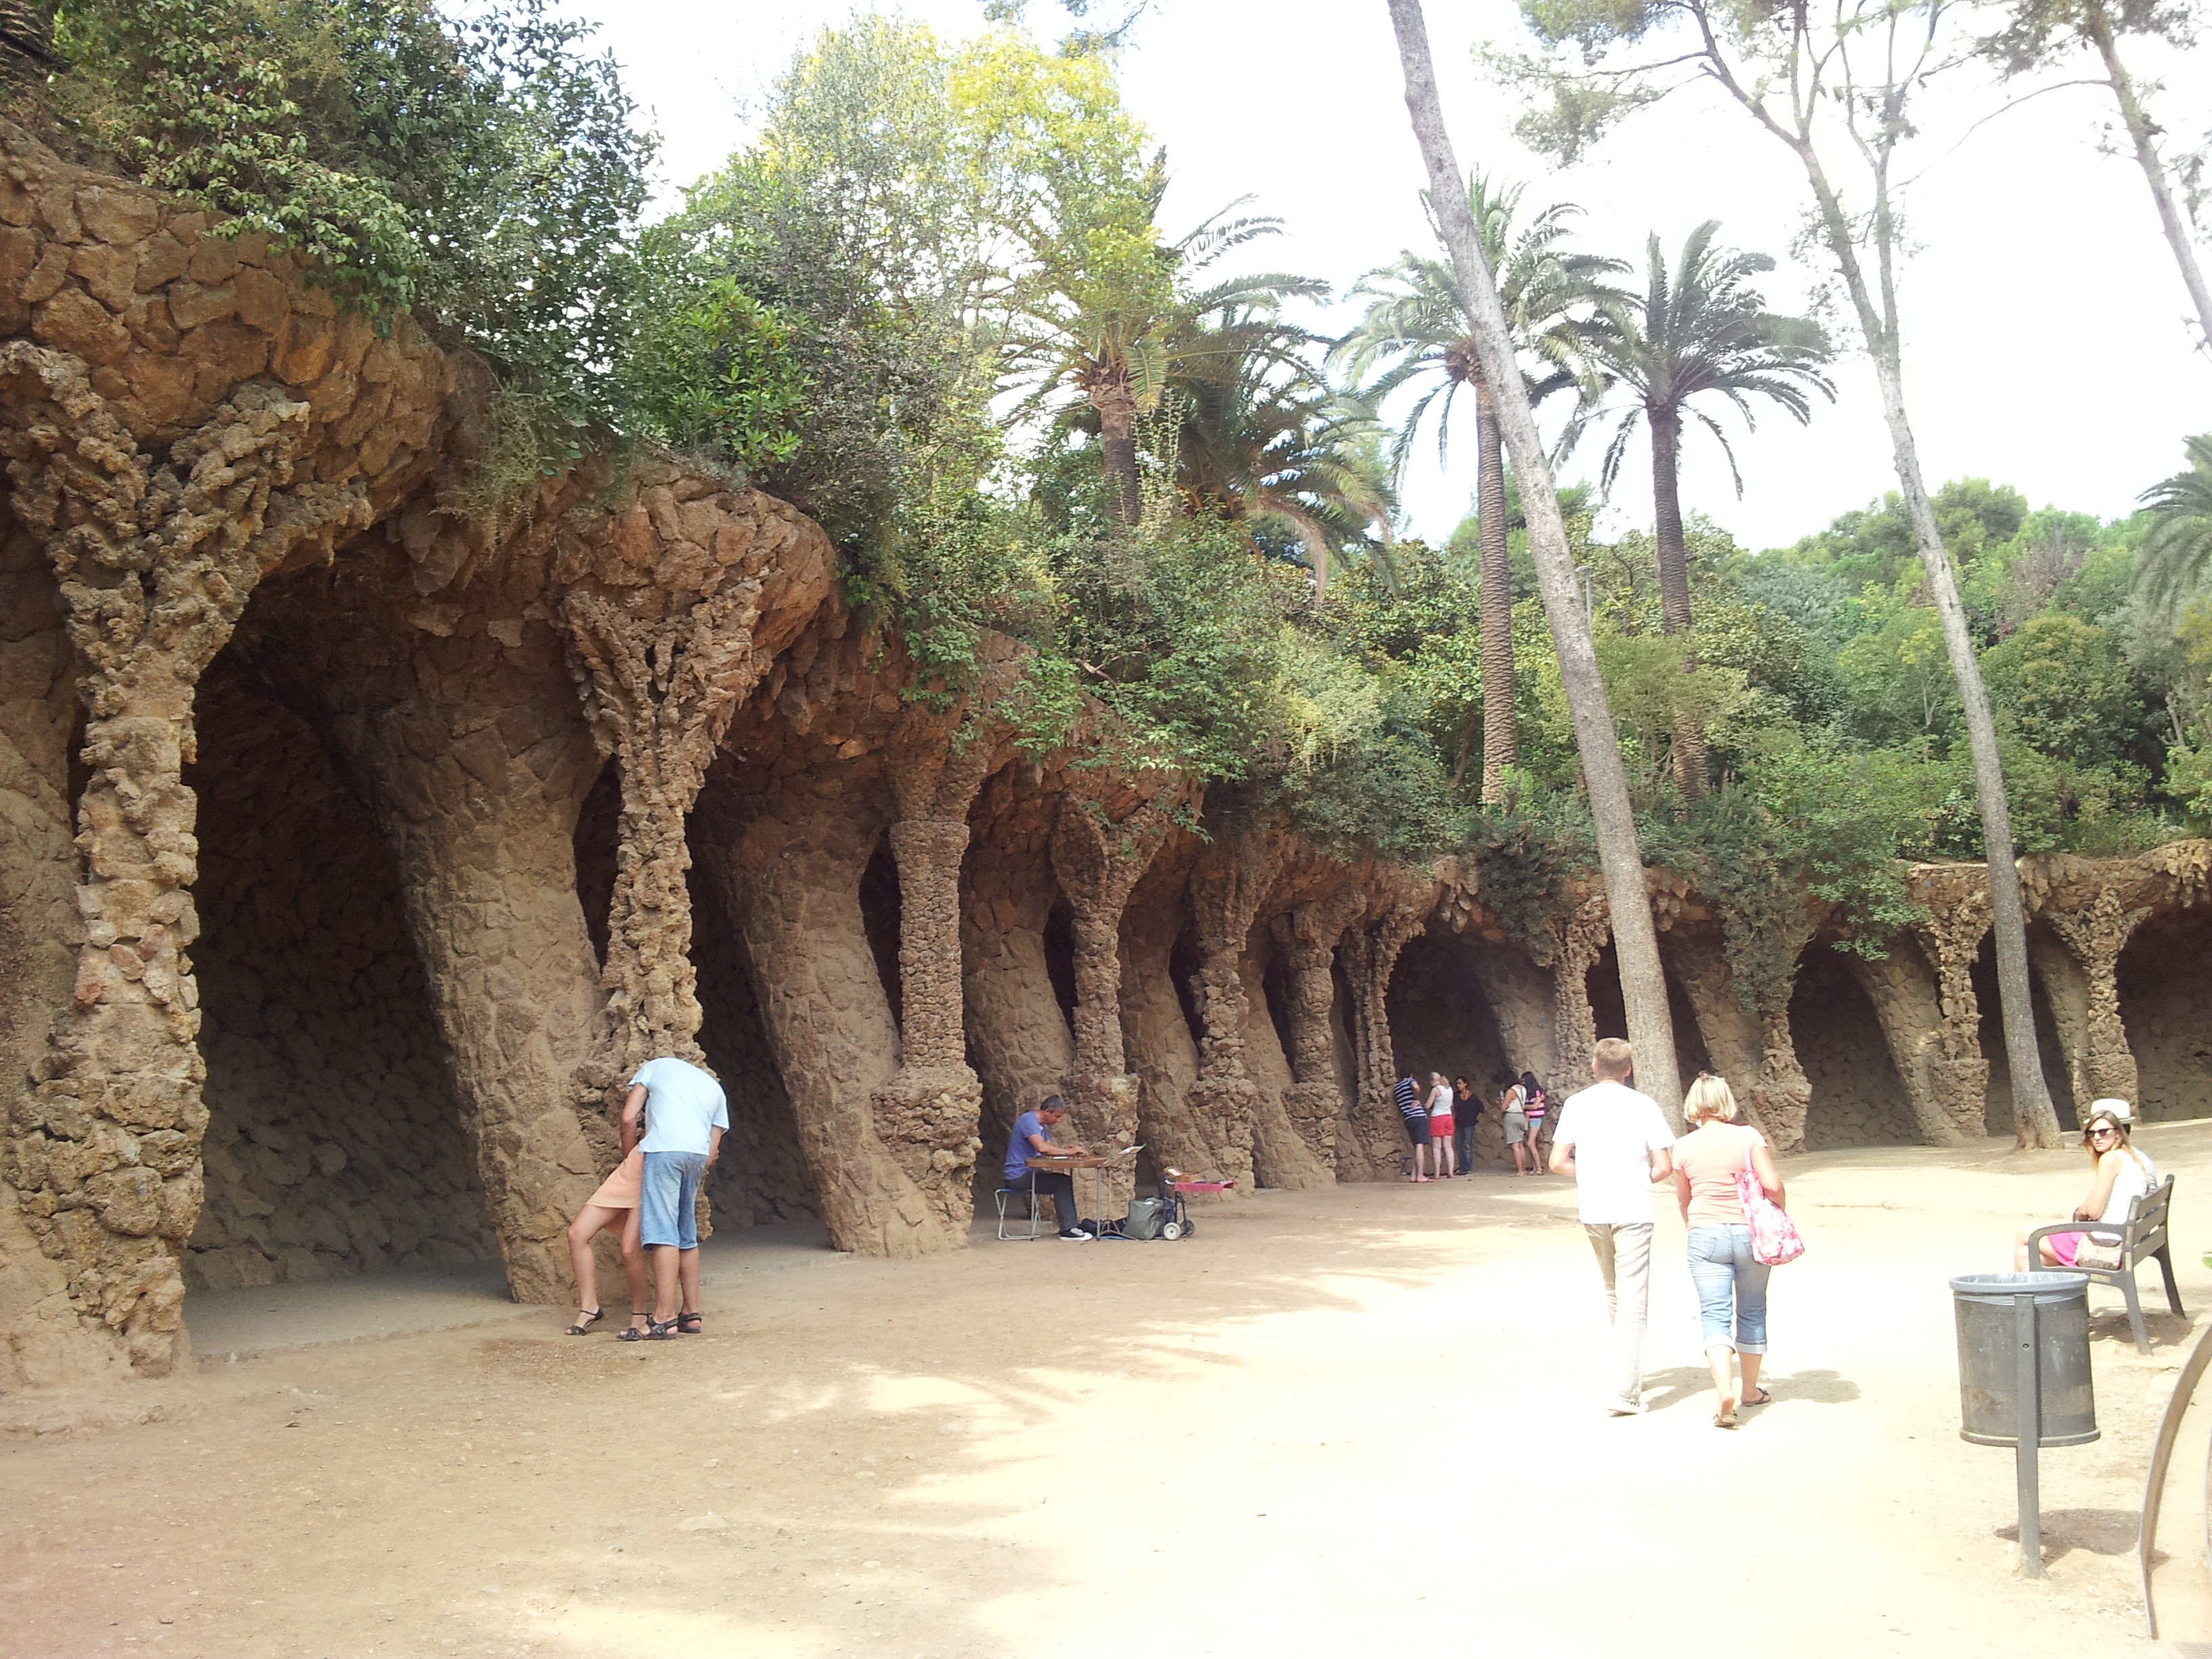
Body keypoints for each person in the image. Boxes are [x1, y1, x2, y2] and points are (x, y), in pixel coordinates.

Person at [1550, 1038, 1677, 1416]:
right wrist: (1635, 1177)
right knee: (1634, 1296)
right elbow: (1664, 1166)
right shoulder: (1643, 1104)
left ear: (1594, 1067)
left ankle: (1626, 1371)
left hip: (1594, 1208)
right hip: (1633, 1207)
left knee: (1613, 1290)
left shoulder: (1576, 1104)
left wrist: (1591, 1174)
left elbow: (1557, 1161)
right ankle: (1626, 1390)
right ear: (1628, 1070)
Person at [1673, 1073, 1786, 1429]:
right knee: (1752, 1310)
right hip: (1749, 1231)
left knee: (1714, 1313)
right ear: (1727, 1102)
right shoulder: (1748, 1137)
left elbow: (1684, 1197)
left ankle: (1725, 1390)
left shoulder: (1683, 1146)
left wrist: (1693, 1224)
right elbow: (1772, 1184)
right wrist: (1779, 1211)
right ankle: (1749, 1390)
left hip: (1704, 1232)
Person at [620, 1054, 729, 1341]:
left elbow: (628, 1117)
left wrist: (630, 1155)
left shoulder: (653, 1067)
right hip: (696, 1155)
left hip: (663, 1150)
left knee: (662, 1232)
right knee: (685, 1233)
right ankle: (691, 1314)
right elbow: (712, 1152)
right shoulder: (713, 1087)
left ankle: (663, 1317)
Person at [2013, 1101, 2159, 1269]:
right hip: (2128, 1242)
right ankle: (2027, 1287)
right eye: (2091, 1133)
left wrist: (2083, 1210)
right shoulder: (2136, 1156)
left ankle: (2014, 1285)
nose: (2096, 1138)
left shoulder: (2110, 1159)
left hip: (2107, 1246)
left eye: (2103, 1132)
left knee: (2024, 1233)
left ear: (2118, 1133)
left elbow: (2093, 1212)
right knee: (2025, 1255)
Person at [565, 1139, 650, 1338]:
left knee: (630, 1249)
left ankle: (640, 1313)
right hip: (637, 1163)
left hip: (654, 1164)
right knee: (577, 1234)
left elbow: (628, 1123)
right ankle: (590, 1308)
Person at [1006, 1093, 1093, 1241]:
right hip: (1017, 1175)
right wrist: (1068, 1152)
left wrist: (1066, 1151)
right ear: (1047, 1111)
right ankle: (1068, 1229)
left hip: (1029, 1172)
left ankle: (1071, 1226)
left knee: (1062, 1181)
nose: (1058, 1121)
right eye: (1057, 1116)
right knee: (1061, 1183)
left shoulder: (1041, 1126)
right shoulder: (1029, 1121)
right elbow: (1042, 1148)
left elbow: (1049, 1148)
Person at [1395, 1070, 1431, 1181]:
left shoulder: (1397, 1088)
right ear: (1410, 1075)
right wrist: (1416, 1099)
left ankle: (1414, 1175)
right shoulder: (1410, 1080)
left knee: (1416, 1146)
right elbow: (1416, 1087)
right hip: (1418, 1116)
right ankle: (1420, 1175)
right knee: (1420, 1145)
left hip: (1408, 1118)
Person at [1496, 1070, 1532, 1176]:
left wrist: (1499, 1103)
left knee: (1515, 1145)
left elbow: (1504, 1108)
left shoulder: (1511, 1091)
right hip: (1521, 1116)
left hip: (1512, 1116)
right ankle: (1524, 1169)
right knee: (1521, 1144)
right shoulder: (1523, 1089)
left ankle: (1520, 1171)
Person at [1425, 1072, 1457, 1179]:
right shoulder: (1449, 1089)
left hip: (1437, 1117)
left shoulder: (1436, 1090)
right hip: (1448, 1117)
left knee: (1436, 1147)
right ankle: (1451, 1172)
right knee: (1448, 1146)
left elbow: (1428, 1105)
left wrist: (1421, 1106)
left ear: (1433, 1081)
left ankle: (1437, 1173)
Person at [1521, 1069, 1550, 1174]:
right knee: (1532, 1144)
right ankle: (1535, 1168)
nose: (1522, 1083)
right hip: (1528, 1118)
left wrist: (1522, 1106)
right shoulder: (1529, 1093)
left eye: (1524, 1081)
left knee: (1530, 1143)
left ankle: (1539, 1168)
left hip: (1535, 1119)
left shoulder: (1538, 1092)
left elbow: (1535, 1106)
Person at [1452, 1076, 1479, 1176]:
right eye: (1457, 1084)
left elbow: (1481, 1108)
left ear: (1465, 1084)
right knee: (1459, 1145)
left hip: (1469, 1124)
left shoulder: (1473, 1097)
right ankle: (1462, 1166)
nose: (1458, 1086)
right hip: (1459, 1123)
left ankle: (1468, 1167)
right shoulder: (1455, 1096)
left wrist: (1474, 1116)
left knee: (1467, 1145)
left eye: (1460, 1083)